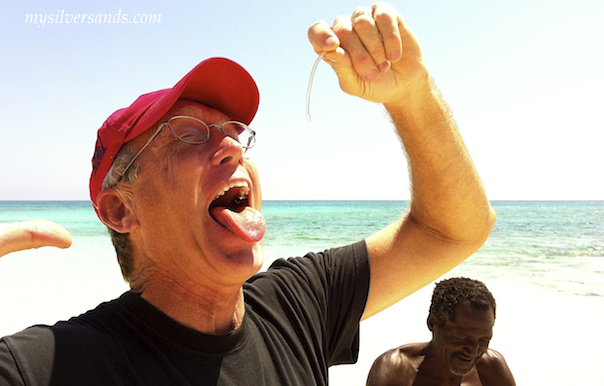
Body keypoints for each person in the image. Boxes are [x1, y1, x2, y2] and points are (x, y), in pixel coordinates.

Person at [0, 3, 496, 385]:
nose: (232, 148)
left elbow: (452, 229)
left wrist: (412, 96)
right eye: (189, 133)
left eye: (236, 132)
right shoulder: (51, 365)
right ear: (119, 208)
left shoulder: (299, 303)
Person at [366, 278, 515, 386]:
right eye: (461, 337)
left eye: (484, 339)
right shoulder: (397, 369)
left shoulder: (491, 368)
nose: (473, 350)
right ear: (433, 324)